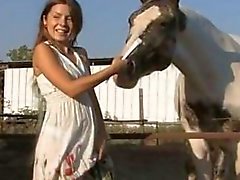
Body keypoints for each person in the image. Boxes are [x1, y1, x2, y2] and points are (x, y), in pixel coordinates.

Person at [32, 0, 126, 179]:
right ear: (45, 20)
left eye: (69, 18)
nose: (62, 24)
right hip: (60, 135)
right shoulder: (43, 51)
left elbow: (90, 95)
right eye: (56, 17)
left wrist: (101, 133)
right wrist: (111, 70)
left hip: (86, 133)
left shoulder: (80, 54)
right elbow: (71, 88)